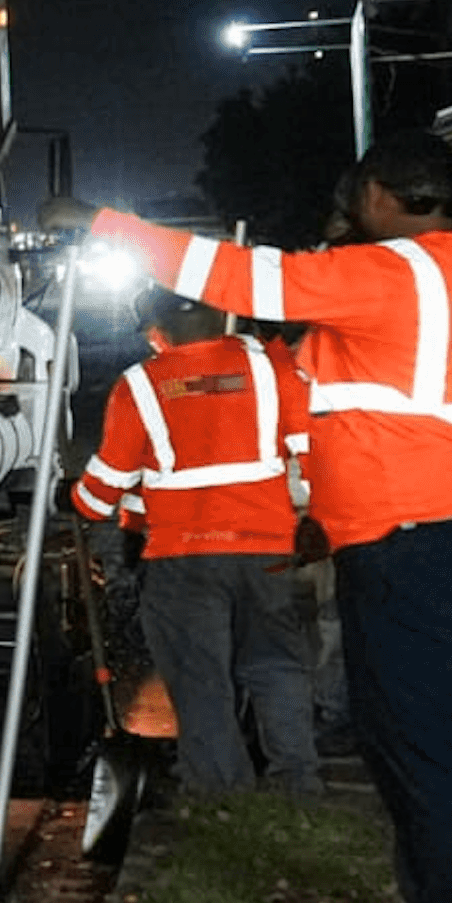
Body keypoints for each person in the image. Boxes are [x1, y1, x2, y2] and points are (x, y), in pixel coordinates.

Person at [45, 129, 452, 903]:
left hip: (417, 544)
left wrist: (102, 222)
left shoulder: (386, 274)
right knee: (441, 739)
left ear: (379, 195)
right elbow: (369, 394)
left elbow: (243, 278)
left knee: (417, 749)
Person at [69, 292, 321, 800]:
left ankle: (220, 792)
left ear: (157, 330)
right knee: (275, 665)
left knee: (199, 674)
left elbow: (104, 490)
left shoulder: (141, 384)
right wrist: (320, 521)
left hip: (182, 559)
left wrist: (75, 499)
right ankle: (298, 784)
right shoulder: (273, 368)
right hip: (266, 551)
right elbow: (317, 453)